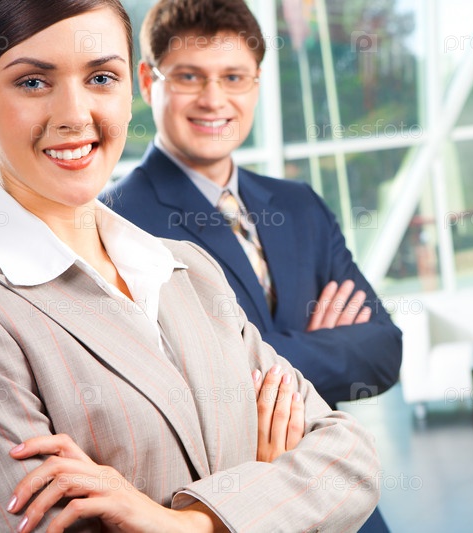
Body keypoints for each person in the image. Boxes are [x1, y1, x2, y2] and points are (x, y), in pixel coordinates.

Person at [0, 1, 380, 531]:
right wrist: (265, 494)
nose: (75, 115)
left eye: (101, 78)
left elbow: (351, 460)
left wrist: (187, 523)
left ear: (130, 92)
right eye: (33, 82)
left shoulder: (188, 269)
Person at [103, 0, 402, 411]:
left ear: (256, 83)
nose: (214, 100)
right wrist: (323, 347)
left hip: (325, 452)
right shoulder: (114, 222)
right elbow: (166, 386)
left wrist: (248, 360)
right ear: (147, 81)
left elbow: (383, 351)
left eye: (233, 77)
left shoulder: (300, 207)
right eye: (189, 77)